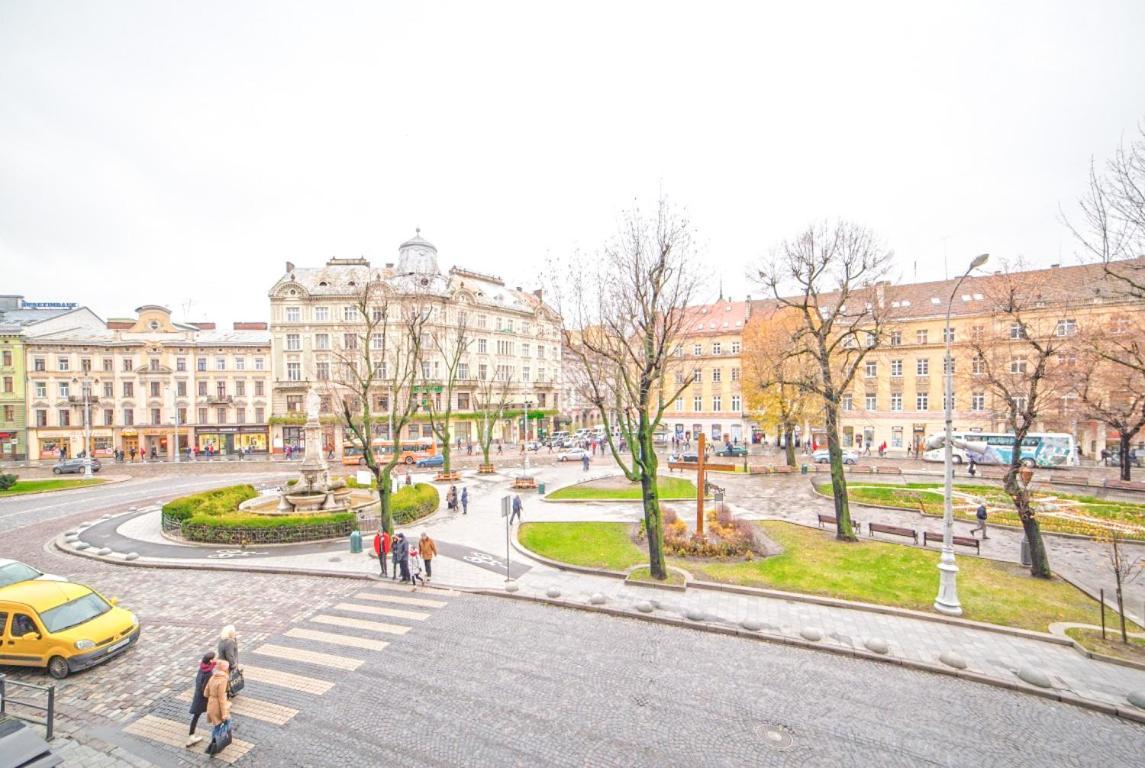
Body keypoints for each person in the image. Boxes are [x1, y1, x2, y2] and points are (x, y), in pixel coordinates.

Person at [186, 651, 216, 746]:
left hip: (198, 696)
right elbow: (206, 688)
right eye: (214, 658)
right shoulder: (208, 673)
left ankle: (191, 736)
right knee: (216, 714)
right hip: (203, 699)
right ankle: (217, 737)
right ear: (210, 660)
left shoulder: (202, 668)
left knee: (196, 716)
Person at [203, 658, 233, 750]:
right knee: (227, 722)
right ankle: (218, 743)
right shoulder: (223, 680)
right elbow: (221, 698)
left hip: (211, 705)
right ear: (224, 669)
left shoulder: (212, 677)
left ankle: (214, 743)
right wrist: (224, 714)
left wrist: (212, 695)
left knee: (216, 726)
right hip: (217, 707)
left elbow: (205, 693)